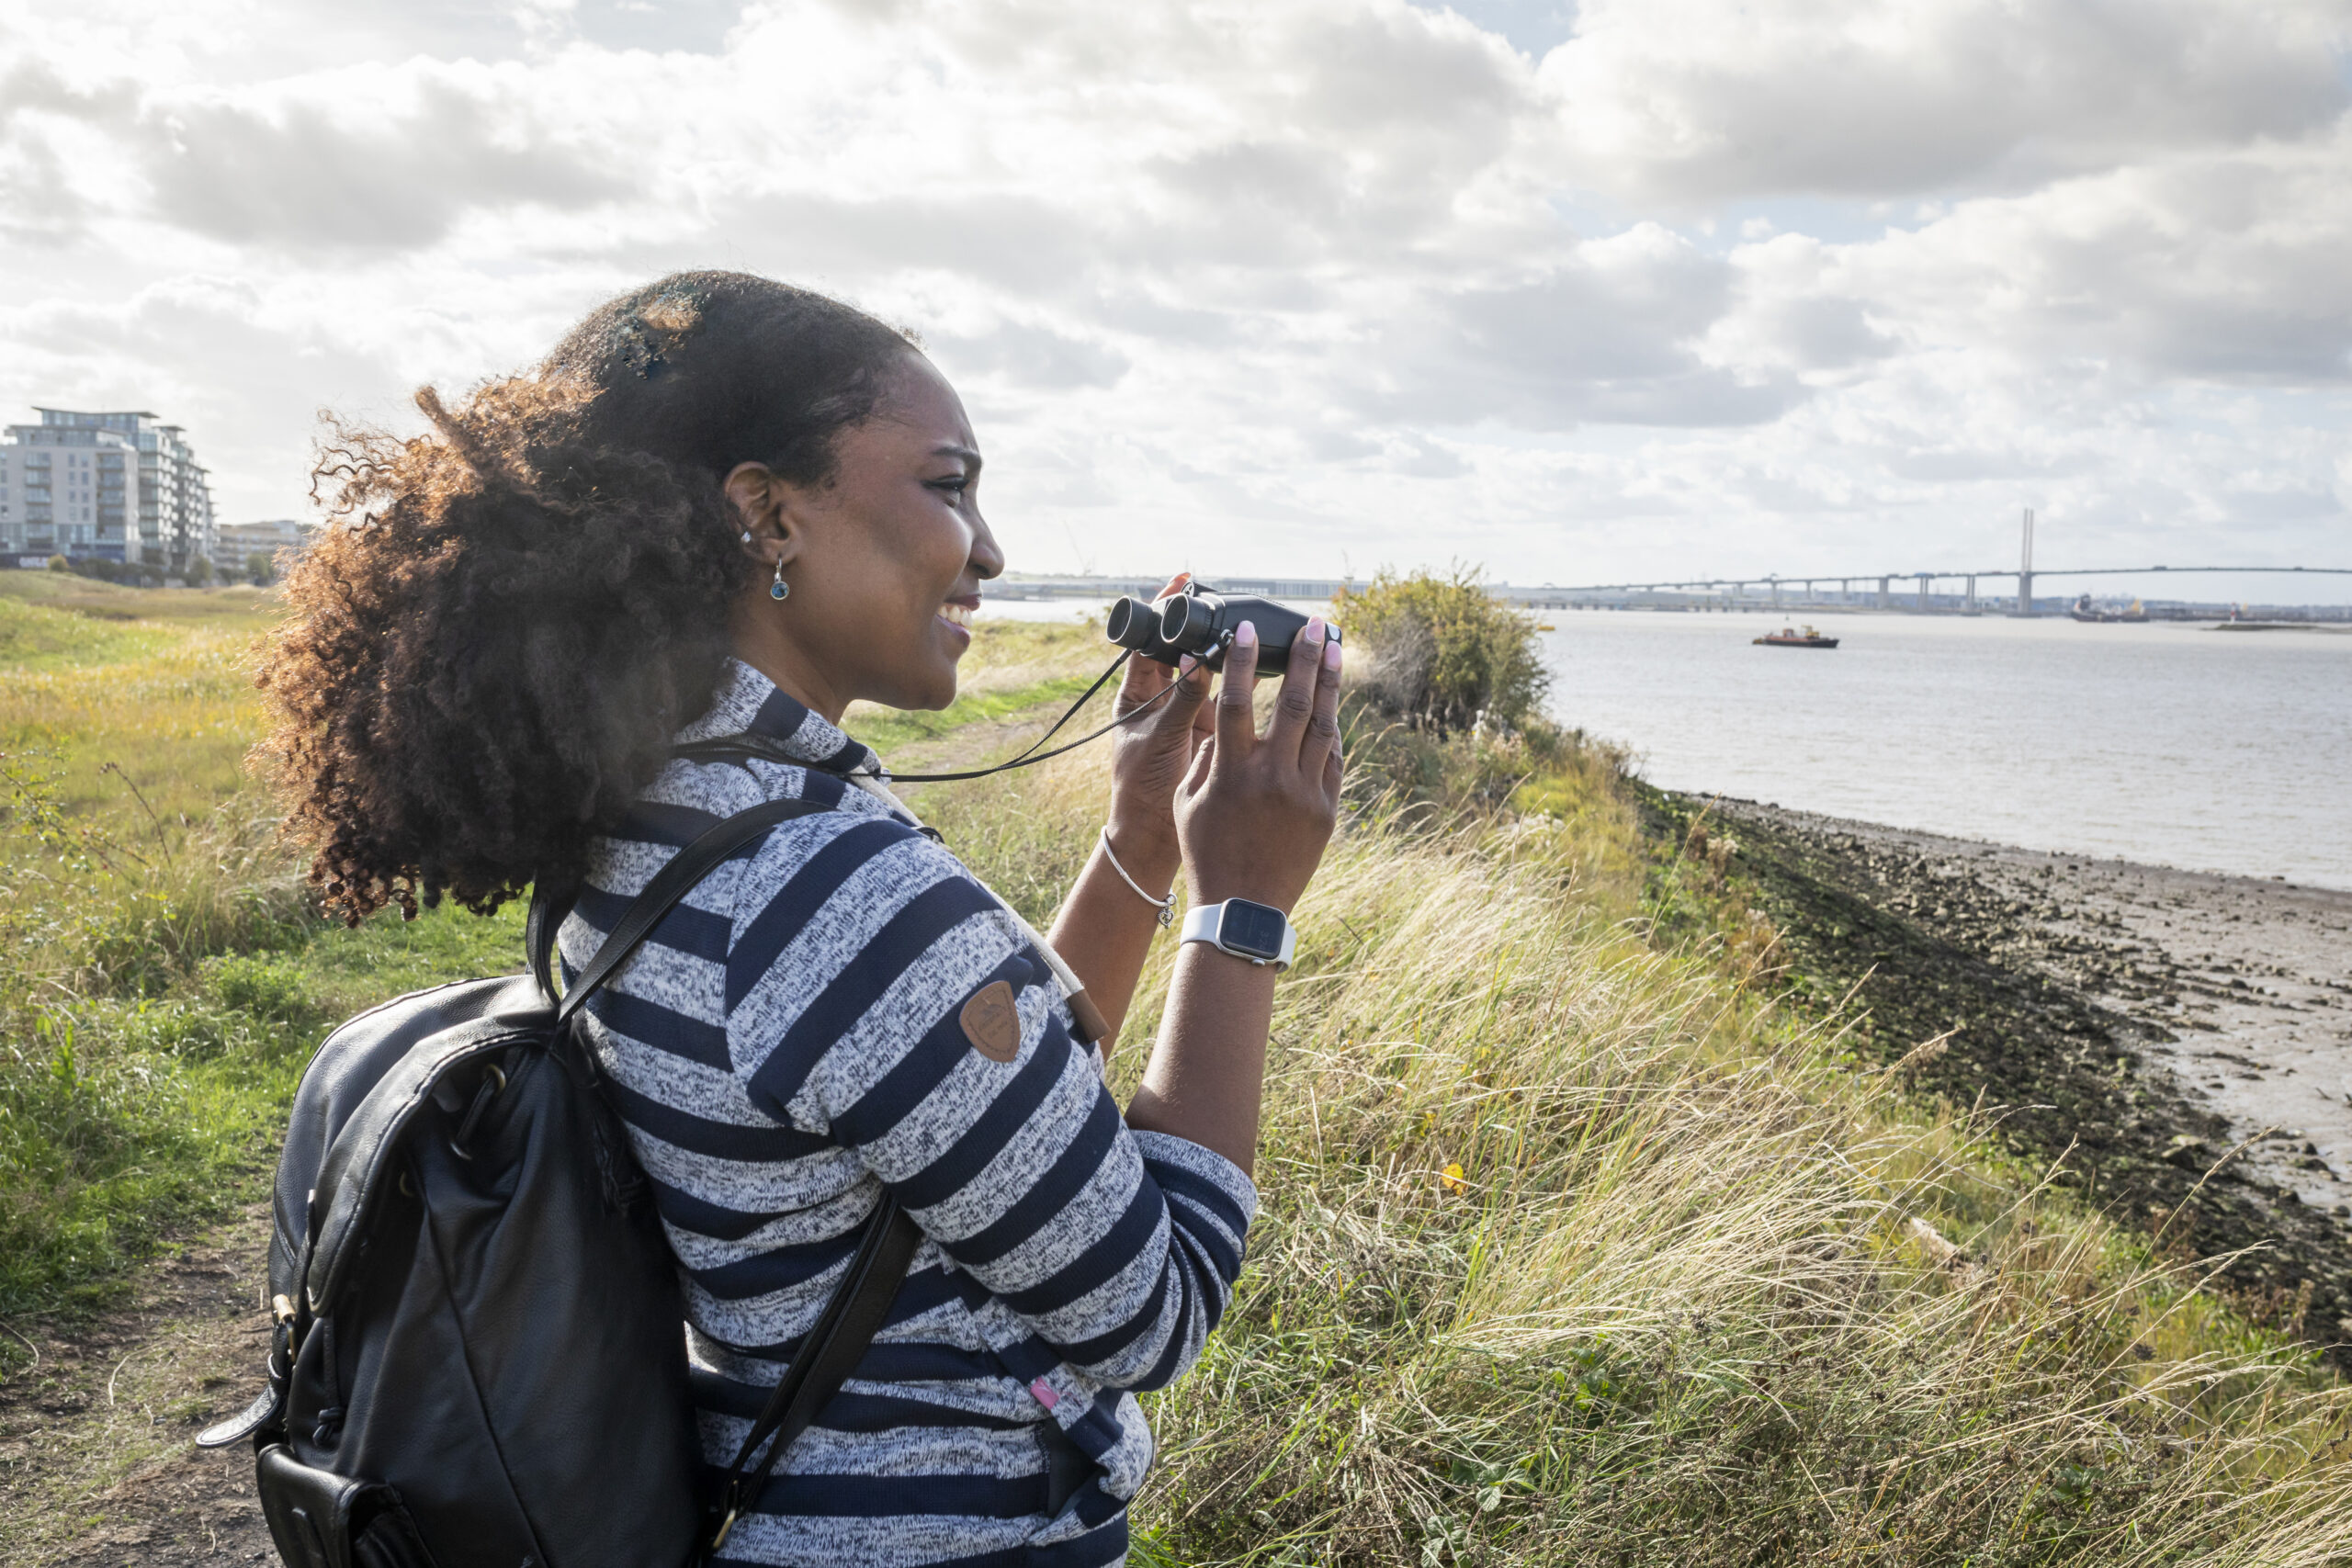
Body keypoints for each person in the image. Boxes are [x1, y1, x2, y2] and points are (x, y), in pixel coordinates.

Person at [257, 271, 1343, 1566]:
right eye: (948, 485)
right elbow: (1152, 1312)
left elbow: (977, 1108)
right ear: (766, 513)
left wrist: (1139, 838)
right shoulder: (831, 885)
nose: (988, 550)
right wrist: (1244, 911)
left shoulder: (667, 814)